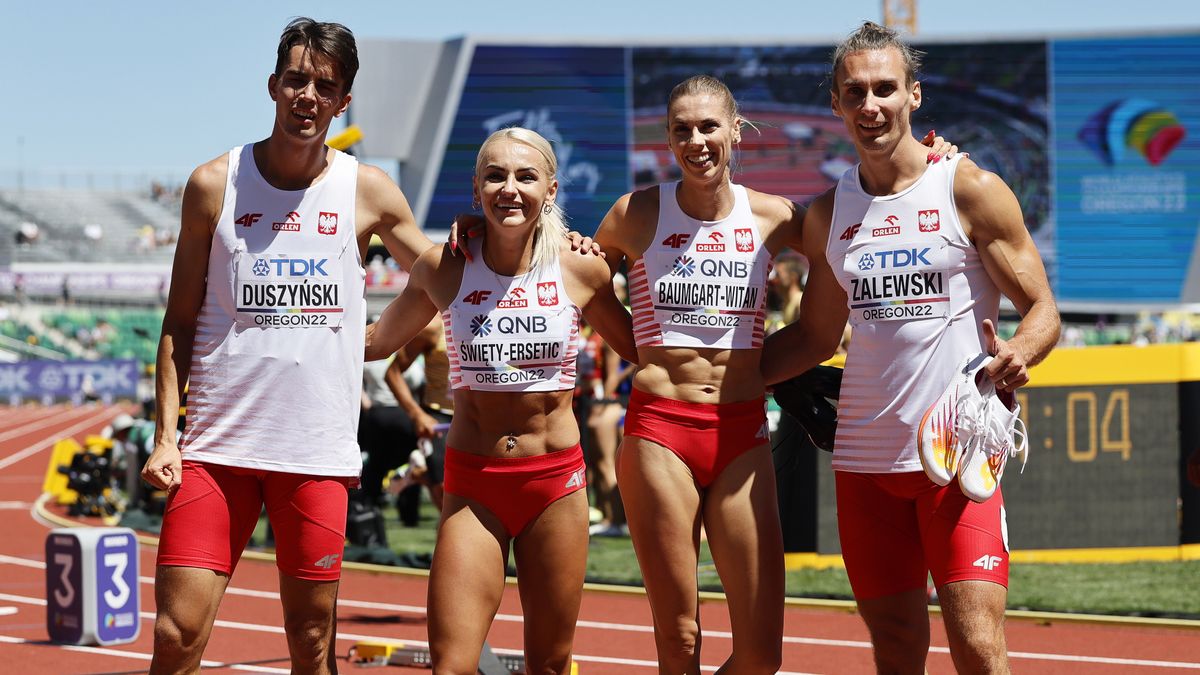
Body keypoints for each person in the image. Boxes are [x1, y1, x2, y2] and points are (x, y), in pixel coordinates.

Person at [593, 74, 954, 672]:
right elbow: (578, 272)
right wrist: (633, 344)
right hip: (660, 430)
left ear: (735, 131)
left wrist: (934, 164)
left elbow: (860, 219)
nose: (697, 141)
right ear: (668, 139)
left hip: (741, 429)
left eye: (709, 126)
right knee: (679, 637)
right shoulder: (635, 212)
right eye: (682, 130)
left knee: (762, 654)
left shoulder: (777, 216)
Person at [763, 21, 1060, 674]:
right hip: (864, 466)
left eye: (885, 89)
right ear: (836, 104)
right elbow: (814, 335)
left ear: (913, 95)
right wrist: (722, 375)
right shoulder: (830, 214)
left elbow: (1043, 312)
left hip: (954, 460)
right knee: (896, 653)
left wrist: (1021, 351)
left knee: (979, 646)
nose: (871, 105)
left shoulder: (967, 188)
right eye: (855, 92)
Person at [140, 18, 434, 675]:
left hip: (315, 454)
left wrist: (384, 336)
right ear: (273, 85)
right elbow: (178, 321)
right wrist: (166, 434)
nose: (308, 95)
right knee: (175, 632)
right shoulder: (214, 184)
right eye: (296, 80)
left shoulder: (370, 189)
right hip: (217, 452)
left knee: (311, 641)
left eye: (324, 86)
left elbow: (440, 275)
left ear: (342, 102)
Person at [367, 126, 637, 673]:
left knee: (551, 663)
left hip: (554, 484)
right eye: (495, 176)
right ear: (476, 189)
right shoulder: (443, 267)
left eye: (525, 176)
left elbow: (642, 348)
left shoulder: (581, 267)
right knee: (453, 664)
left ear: (552, 188)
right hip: (473, 483)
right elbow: (373, 344)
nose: (509, 188)